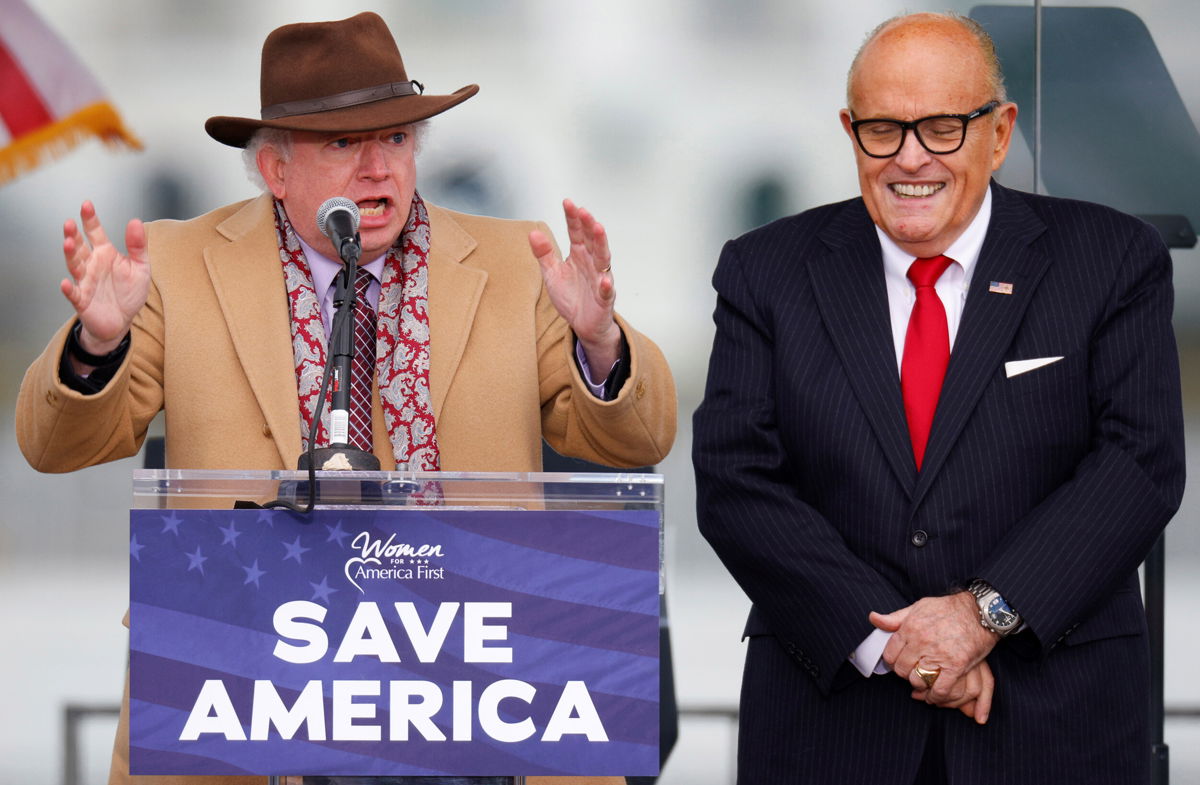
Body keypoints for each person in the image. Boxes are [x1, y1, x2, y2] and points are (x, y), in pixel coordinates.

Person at [16, 12, 675, 785]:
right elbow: (49, 444)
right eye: (342, 143)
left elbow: (644, 437)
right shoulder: (175, 265)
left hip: (483, 701)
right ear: (275, 170)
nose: (377, 168)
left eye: (395, 140)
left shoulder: (514, 261)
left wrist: (601, 343)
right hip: (248, 702)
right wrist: (97, 344)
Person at [693, 11, 1183, 785]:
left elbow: (1139, 463)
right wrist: (898, 643)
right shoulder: (766, 270)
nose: (910, 158)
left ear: (999, 131)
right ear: (851, 131)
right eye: (883, 129)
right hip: (832, 727)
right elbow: (736, 480)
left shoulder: (1111, 258)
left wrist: (978, 616)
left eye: (943, 128)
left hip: (1053, 722)